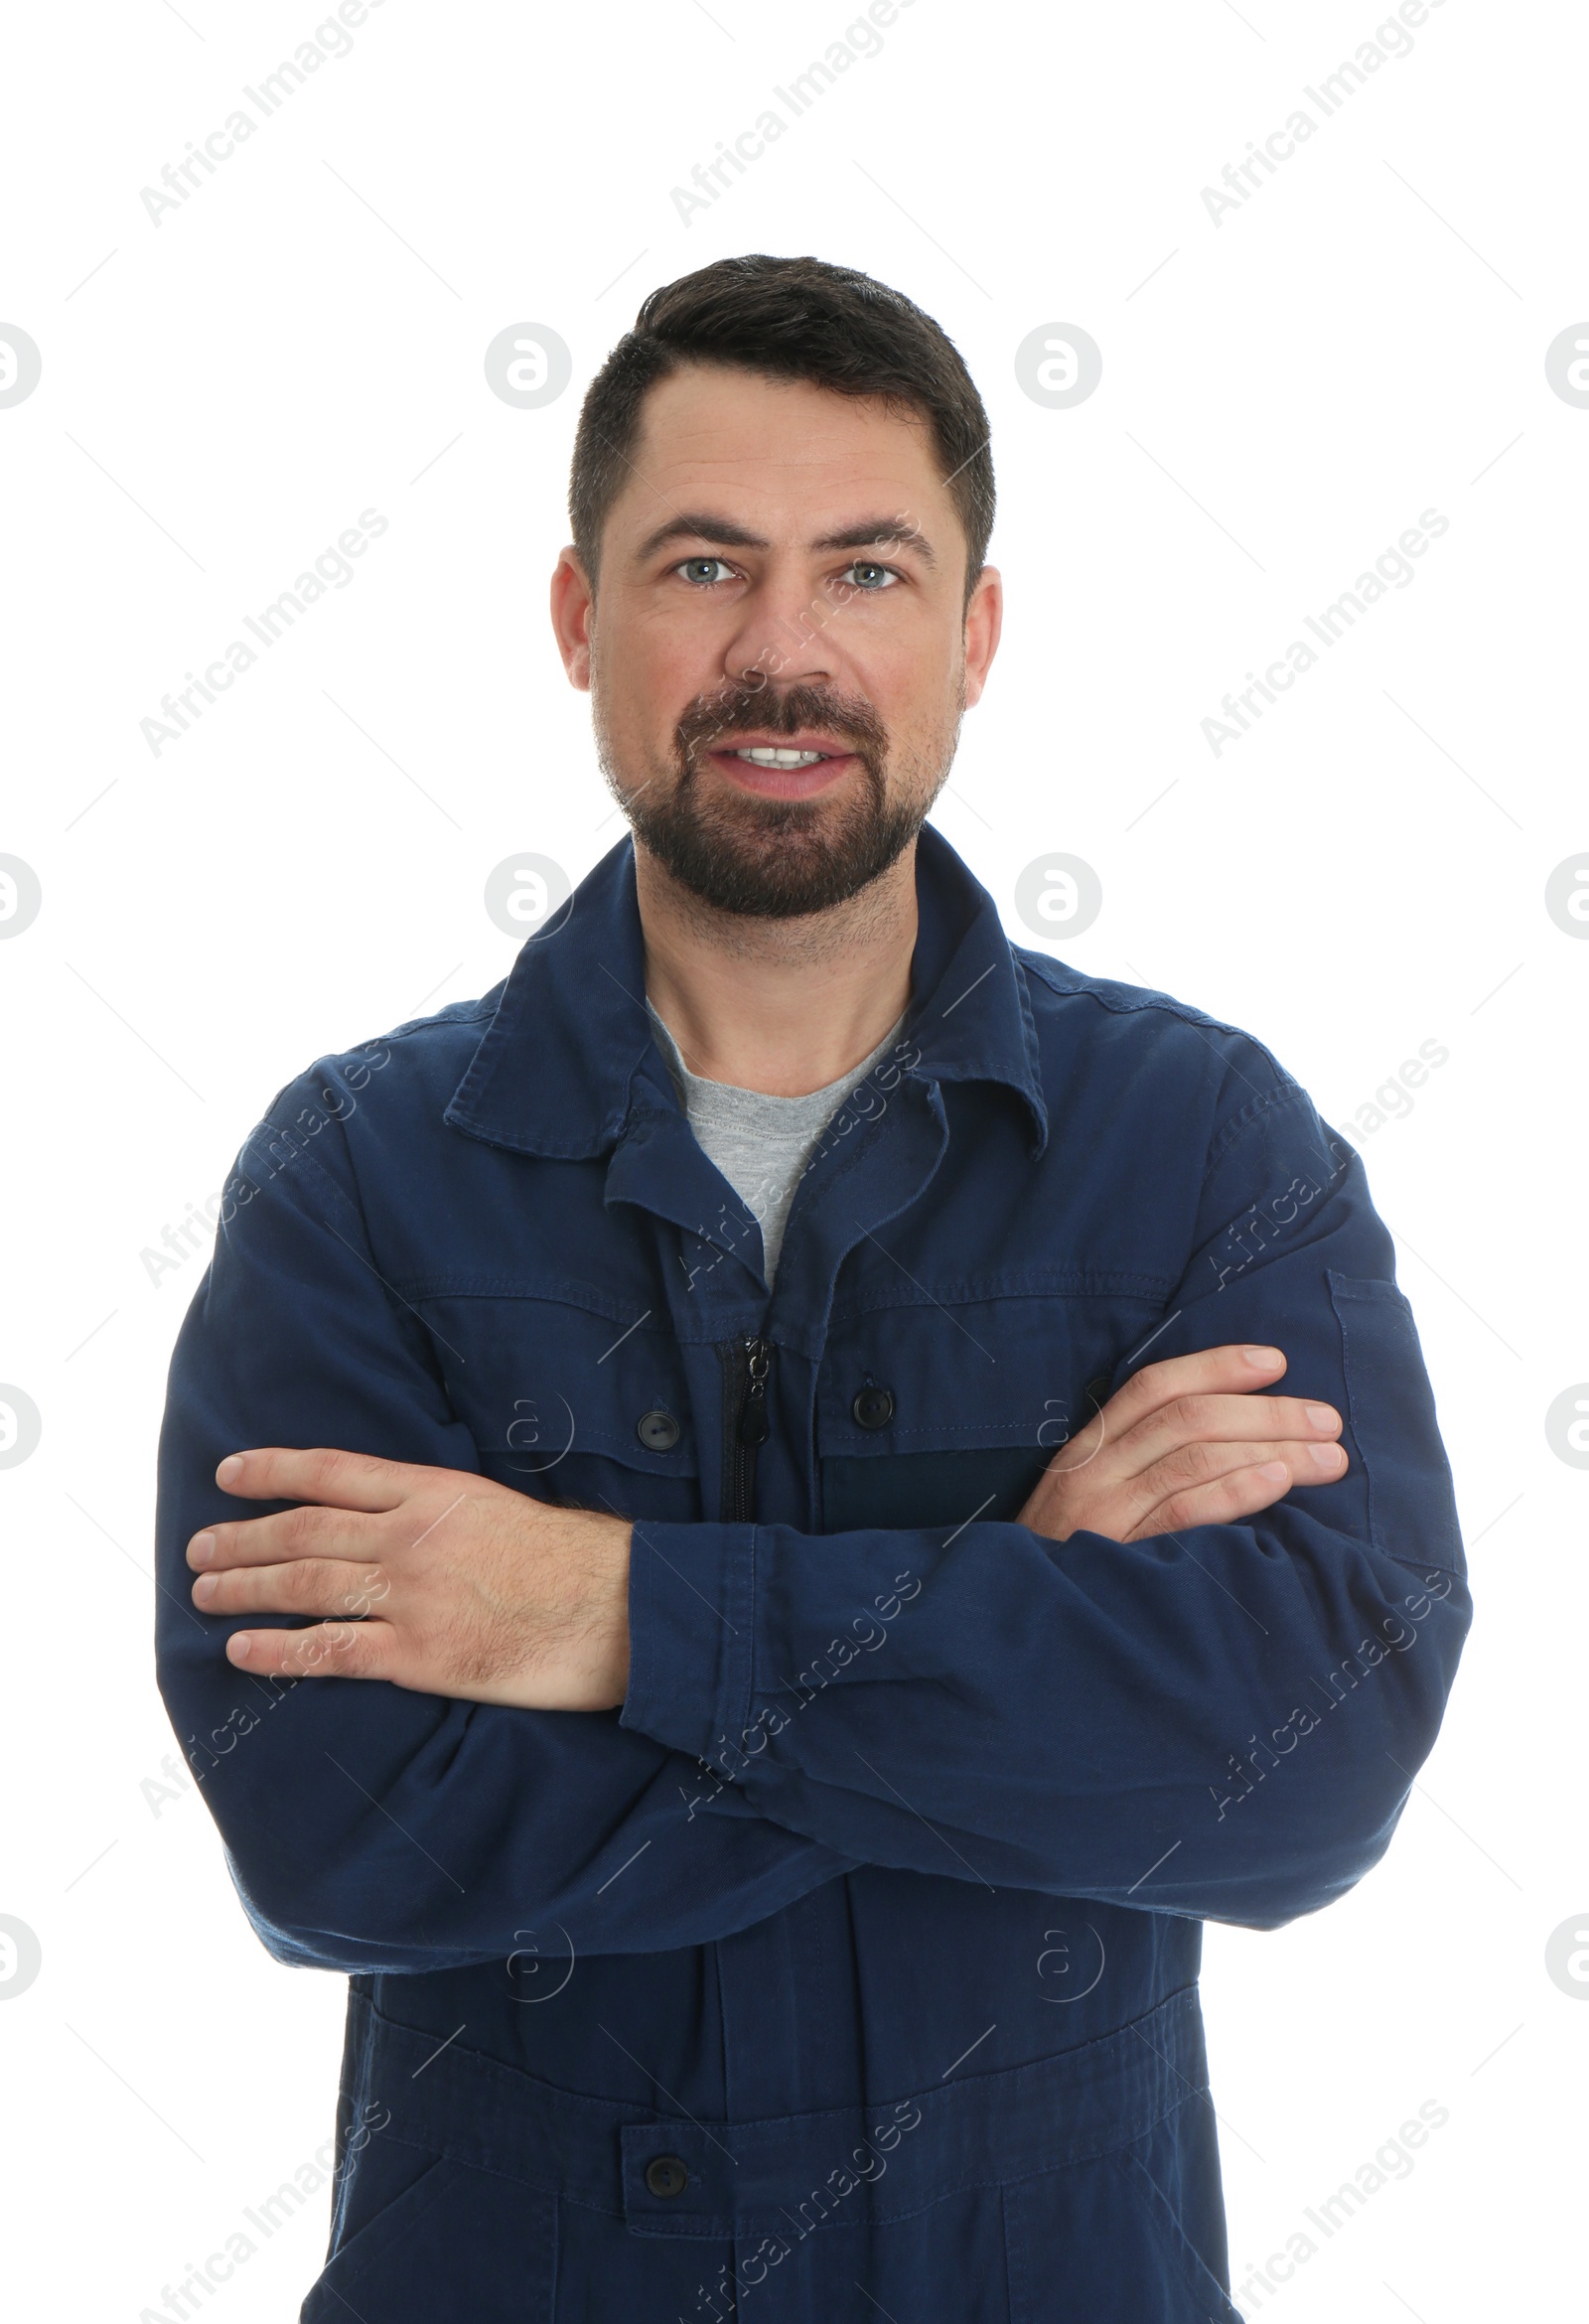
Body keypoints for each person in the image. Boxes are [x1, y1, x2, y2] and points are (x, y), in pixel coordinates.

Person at [154, 253, 1470, 2324]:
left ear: (974, 632)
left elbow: (1303, 1779)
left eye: (863, 574)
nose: (781, 655)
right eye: (700, 565)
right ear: (579, 618)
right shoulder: (358, 1183)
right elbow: (338, 1843)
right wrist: (1009, 1604)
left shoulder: (1205, 1150)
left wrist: (600, 1612)